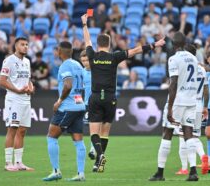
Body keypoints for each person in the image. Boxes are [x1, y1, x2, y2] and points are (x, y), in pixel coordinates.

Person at [81, 13, 165, 172]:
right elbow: (136, 50)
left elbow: (87, 40)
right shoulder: (115, 56)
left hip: (96, 97)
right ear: (109, 43)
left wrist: (85, 24)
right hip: (111, 98)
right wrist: (155, 44)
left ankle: (100, 157)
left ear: (98, 45)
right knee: (105, 131)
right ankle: (99, 164)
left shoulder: (91, 55)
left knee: (94, 132)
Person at [149, 32, 199, 181]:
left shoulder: (173, 59)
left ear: (173, 45)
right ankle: (193, 172)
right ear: (184, 43)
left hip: (178, 101)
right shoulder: (194, 58)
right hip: (191, 100)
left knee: (167, 133)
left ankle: (160, 173)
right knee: (188, 134)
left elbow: (173, 84)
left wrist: (170, 107)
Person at [42, 41, 86, 182]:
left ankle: (56, 171)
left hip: (66, 108)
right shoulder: (78, 65)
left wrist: (59, 101)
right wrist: (78, 101)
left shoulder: (65, 66)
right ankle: (80, 174)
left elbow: (68, 85)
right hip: (79, 106)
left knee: (51, 137)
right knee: (78, 141)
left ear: (60, 51)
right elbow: (81, 87)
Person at [0, 37, 34, 171]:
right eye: (22, 44)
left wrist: (31, 88)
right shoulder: (8, 61)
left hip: (26, 100)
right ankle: (8, 163)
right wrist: (17, 90)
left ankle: (19, 162)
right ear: (16, 46)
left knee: (22, 131)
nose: (25, 47)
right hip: (14, 99)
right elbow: (2, 81)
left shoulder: (27, 62)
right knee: (12, 129)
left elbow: (28, 80)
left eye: (27, 44)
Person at [175, 44, 209, 175]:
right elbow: (206, 91)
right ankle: (203, 156)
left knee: (182, 136)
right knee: (194, 136)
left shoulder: (184, 68)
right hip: (199, 106)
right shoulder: (202, 70)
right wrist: (205, 106)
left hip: (186, 104)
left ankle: (184, 168)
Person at [79, 50, 96, 160]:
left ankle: (93, 149)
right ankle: (93, 149)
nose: (85, 63)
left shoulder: (97, 71)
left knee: (96, 127)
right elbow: (78, 89)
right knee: (91, 128)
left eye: (87, 60)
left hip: (98, 103)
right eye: (83, 61)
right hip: (86, 104)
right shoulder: (81, 72)